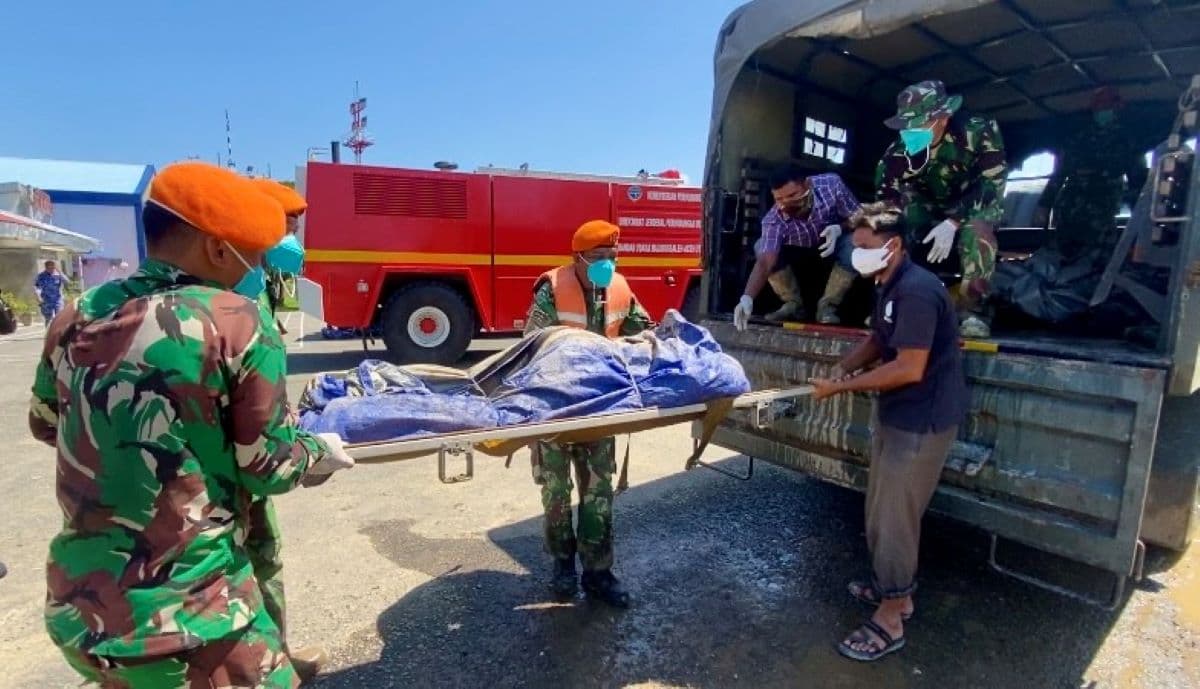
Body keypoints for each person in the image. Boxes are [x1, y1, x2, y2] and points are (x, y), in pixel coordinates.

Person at [29, 161, 354, 688]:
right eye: (252, 253)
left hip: (83, 606)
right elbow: (269, 467)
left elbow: (46, 423)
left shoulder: (75, 314)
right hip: (191, 613)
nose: (257, 266)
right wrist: (318, 452)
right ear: (218, 250)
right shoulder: (236, 319)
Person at [808, 203, 968, 662]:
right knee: (881, 507)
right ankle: (892, 589)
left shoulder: (917, 291)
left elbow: (909, 367)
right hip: (900, 416)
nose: (855, 255)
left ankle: (892, 615)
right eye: (853, 247)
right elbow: (881, 340)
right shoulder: (889, 284)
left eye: (863, 247)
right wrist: (844, 367)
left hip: (922, 420)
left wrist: (840, 388)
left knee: (895, 516)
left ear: (892, 245)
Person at [523, 220, 653, 607]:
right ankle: (563, 565)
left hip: (602, 408)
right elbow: (532, 344)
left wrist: (651, 338)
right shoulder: (552, 290)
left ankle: (599, 573)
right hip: (557, 409)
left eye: (613, 257)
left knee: (599, 494)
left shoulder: (619, 287)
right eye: (599, 258)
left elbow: (642, 329)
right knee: (557, 493)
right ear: (577, 258)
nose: (608, 265)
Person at [876, 79, 1008, 338]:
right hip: (927, 206)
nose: (912, 131)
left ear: (943, 118)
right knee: (894, 228)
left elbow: (992, 183)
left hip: (974, 204)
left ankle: (974, 312)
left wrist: (954, 222)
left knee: (979, 230)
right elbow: (887, 200)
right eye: (907, 126)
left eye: (920, 123)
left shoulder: (978, 132)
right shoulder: (896, 154)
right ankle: (896, 305)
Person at [734, 165, 862, 329]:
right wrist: (747, 298)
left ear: (807, 184)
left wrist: (840, 228)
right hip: (798, 251)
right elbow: (765, 262)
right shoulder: (773, 219)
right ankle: (793, 305)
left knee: (855, 241)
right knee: (761, 246)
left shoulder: (831, 185)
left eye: (793, 195)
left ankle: (827, 307)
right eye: (779, 199)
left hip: (833, 242)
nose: (787, 203)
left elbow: (860, 215)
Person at [1034, 86, 1148, 262]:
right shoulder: (1079, 139)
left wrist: (1140, 221)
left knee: (1096, 264)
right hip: (1069, 214)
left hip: (1101, 216)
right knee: (1060, 261)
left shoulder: (1128, 142)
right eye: (1098, 107)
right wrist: (1044, 205)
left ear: (1117, 107)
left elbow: (1138, 183)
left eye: (1105, 107)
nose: (1101, 111)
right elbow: (1059, 174)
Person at [253, 178, 308, 335]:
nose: (291, 241)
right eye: (286, 231)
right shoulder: (229, 284)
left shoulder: (260, 281)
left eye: (294, 232)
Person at [34, 260, 69, 325]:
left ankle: (59, 333)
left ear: (54, 267)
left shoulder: (58, 275)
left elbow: (67, 282)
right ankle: (49, 333)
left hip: (57, 300)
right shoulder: (41, 276)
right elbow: (37, 287)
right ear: (46, 267)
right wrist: (38, 296)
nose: (51, 269)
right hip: (46, 301)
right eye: (49, 267)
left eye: (52, 267)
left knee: (59, 318)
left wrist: (60, 273)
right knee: (48, 319)